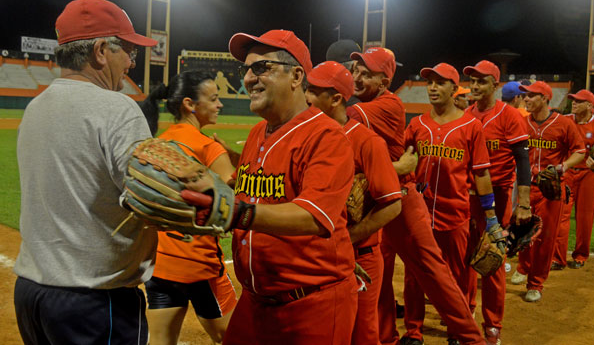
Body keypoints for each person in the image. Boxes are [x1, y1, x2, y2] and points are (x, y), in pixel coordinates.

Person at [14, 0, 158, 345]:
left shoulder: (35, 107)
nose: (131, 62)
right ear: (100, 50)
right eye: (127, 50)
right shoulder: (117, 107)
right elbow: (153, 196)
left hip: (32, 294)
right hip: (95, 301)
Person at [220, 29, 358, 344]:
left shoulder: (326, 135)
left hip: (310, 304)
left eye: (261, 68)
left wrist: (234, 212)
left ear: (296, 76)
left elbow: (312, 216)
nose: (249, 78)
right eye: (246, 70)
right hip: (255, 300)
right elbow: (252, 199)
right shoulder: (256, 133)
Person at [346, 48, 486, 345]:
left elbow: (334, 114)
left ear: (384, 80)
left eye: (366, 72)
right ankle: (387, 337)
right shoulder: (412, 120)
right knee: (377, 276)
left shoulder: (387, 104)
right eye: (355, 70)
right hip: (374, 200)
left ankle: (471, 338)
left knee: (434, 272)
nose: (356, 76)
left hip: (403, 199)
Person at [305, 60, 404, 344]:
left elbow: (392, 204)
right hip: (316, 256)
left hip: (359, 256)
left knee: (362, 334)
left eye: (314, 91)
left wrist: (348, 239)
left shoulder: (368, 142)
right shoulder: (307, 136)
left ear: (336, 99)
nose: (306, 97)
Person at [140, 70, 238, 345]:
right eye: (214, 98)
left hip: (160, 264)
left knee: (160, 340)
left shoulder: (158, 143)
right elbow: (239, 202)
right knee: (232, 336)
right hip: (200, 266)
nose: (219, 104)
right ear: (189, 104)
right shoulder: (208, 147)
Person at [404, 62, 498, 345]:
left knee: (459, 277)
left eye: (440, 82)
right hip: (419, 214)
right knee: (414, 275)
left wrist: (491, 217)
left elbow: (481, 172)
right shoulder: (417, 124)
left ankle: (457, 331)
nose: (432, 87)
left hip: (455, 213)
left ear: (454, 88)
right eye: (429, 82)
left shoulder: (471, 126)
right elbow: (404, 161)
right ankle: (413, 332)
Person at [463, 60, 532, 345]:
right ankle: (465, 311)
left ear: (495, 85)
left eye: (481, 81)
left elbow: (523, 159)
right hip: (465, 195)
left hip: (499, 195)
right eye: (473, 81)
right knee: (464, 257)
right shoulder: (466, 113)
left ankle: (492, 324)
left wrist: (524, 202)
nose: (475, 86)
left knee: (492, 259)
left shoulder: (510, 115)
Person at [510, 81, 585, 302]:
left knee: (544, 238)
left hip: (551, 190)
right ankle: (523, 268)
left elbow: (580, 151)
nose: (526, 99)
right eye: (525, 96)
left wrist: (564, 166)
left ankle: (536, 283)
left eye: (532, 96)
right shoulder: (523, 123)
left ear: (545, 98)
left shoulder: (563, 123)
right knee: (522, 231)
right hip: (526, 188)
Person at [552, 89, 594, 270]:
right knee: (562, 215)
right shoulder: (565, 120)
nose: (574, 103)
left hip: (588, 173)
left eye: (579, 101)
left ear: (590, 106)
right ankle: (558, 258)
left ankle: (580, 255)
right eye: (573, 100)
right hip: (568, 173)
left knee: (585, 217)